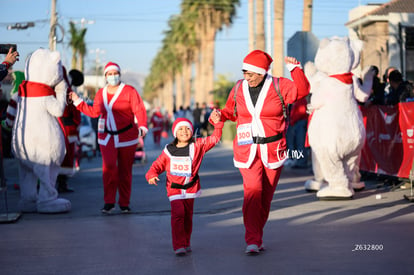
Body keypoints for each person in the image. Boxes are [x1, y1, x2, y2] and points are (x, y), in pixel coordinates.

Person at [219, 50, 310, 255]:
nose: (247, 77)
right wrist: (219, 116)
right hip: (246, 149)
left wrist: (295, 69)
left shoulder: (279, 85)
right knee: (253, 191)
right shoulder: (238, 88)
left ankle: (256, 234)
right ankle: (252, 239)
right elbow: (229, 112)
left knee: (265, 197)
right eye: (245, 72)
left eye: (251, 73)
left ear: (261, 72)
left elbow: (302, 91)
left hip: (273, 149)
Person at [70, 62, 148, 214]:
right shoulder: (101, 93)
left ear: (119, 74)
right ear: (105, 76)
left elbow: (139, 108)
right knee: (109, 168)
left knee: (125, 171)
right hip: (107, 137)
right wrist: (78, 101)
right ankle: (109, 202)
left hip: (128, 137)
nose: (113, 76)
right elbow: (94, 112)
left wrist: (143, 126)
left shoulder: (129, 91)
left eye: (115, 73)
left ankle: (124, 203)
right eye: (109, 74)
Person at [145, 114, 223, 256]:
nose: (184, 131)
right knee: (178, 213)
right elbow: (157, 165)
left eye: (187, 128)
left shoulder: (198, 145)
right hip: (174, 189)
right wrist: (151, 174)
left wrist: (218, 125)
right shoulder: (169, 150)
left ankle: (186, 242)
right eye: (180, 129)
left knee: (187, 216)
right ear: (175, 133)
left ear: (192, 131)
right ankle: (178, 245)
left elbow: (215, 138)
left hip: (191, 188)